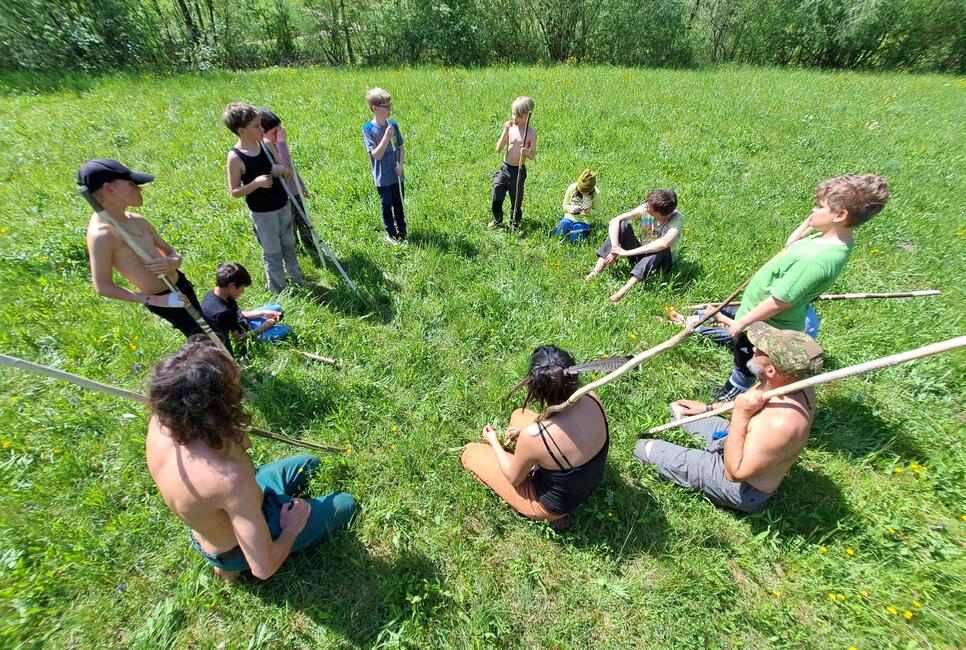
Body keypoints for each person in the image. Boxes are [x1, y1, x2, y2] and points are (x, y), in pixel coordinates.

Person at [146, 339, 357, 583]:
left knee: (309, 463)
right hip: (235, 546)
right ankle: (232, 567)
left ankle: (234, 551)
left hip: (222, 515)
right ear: (215, 404)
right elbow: (263, 568)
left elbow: (242, 445)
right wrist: (290, 528)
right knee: (345, 503)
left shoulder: (162, 424)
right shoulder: (228, 478)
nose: (238, 371)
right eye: (232, 381)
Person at [716, 173, 889, 400]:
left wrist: (741, 323)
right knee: (743, 355)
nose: (813, 211)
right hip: (757, 315)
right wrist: (809, 224)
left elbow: (780, 301)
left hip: (766, 324)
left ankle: (730, 394)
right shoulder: (826, 239)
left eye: (819, 206)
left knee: (745, 363)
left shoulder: (819, 259)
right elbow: (790, 246)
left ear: (840, 215)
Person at [635, 322, 823, 513]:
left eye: (761, 350)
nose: (754, 348)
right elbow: (750, 400)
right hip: (737, 438)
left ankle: (717, 493)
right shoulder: (792, 381)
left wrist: (741, 414)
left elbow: (734, 473)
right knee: (677, 410)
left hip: (739, 484)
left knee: (643, 449)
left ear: (771, 370)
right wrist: (708, 408)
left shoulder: (781, 423)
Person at [461, 345, 609, 531]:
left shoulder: (535, 437)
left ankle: (554, 517)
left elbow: (514, 479)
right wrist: (526, 435)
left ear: (537, 388)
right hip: (588, 482)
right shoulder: (591, 396)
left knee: (470, 453)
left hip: (549, 504)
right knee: (518, 415)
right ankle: (536, 462)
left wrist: (494, 443)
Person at [80, 159, 215, 340]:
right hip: (162, 298)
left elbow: (172, 253)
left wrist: (172, 262)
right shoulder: (102, 235)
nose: (139, 189)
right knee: (204, 340)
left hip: (179, 284)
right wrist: (156, 301)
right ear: (109, 189)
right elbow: (103, 287)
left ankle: (231, 363)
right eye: (131, 184)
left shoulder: (137, 219)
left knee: (210, 329)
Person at [224, 102, 305, 295]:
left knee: (289, 244)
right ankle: (279, 290)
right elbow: (234, 191)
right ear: (241, 131)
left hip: (282, 205)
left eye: (261, 124)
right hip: (263, 214)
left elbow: (285, 172)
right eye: (256, 126)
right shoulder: (235, 157)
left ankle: (298, 279)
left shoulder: (267, 145)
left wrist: (281, 170)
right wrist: (255, 184)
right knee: (273, 252)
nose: (262, 129)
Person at [584, 189, 684, 303]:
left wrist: (625, 253)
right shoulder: (646, 208)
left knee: (661, 248)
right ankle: (596, 271)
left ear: (660, 213)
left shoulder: (676, 219)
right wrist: (615, 249)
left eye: (648, 207)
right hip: (641, 252)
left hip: (661, 262)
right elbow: (616, 220)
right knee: (623, 225)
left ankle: (622, 292)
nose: (645, 207)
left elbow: (663, 243)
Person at [260, 109, 322, 265]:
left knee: (305, 222)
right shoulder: (268, 149)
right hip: (284, 197)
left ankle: (310, 245)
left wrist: (301, 184)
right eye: (275, 131)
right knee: (290, 226)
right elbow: (285, 168)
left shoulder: (277, 144)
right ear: (263, 133)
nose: (279, 134)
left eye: (280, 129)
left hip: (295, 192)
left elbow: (292, 168)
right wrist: (282, 142)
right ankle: (296, 250)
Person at [201, 262, 292, 356]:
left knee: (275, 308)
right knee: (287, 328)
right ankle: (264, 331)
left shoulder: (217, 293)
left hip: (245, 323)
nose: (243, 292)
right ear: (232, 286)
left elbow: (238, 314)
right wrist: (264, 327)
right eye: (242, 289)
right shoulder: (223, 313)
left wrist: (263, 313)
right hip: (248, 335)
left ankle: (264, 322)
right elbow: (239, 338)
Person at [362, 87, 407, 243]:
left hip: (397, 175)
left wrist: (400, 165)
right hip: (383, 178)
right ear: (374, 109)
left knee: (399, 205)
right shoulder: (368, 130)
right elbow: (376, 155)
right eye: (386, 107)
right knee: (387, 206)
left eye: (390, 106)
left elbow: (400, 146)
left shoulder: (393, 124)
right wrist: (386, 137)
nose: (389, 110)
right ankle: (392, 235)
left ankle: (403, 232)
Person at [488, 96, 536, 230]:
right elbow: (498, 148)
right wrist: (505, 131)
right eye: (513, 114)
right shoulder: (511, 128)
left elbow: (532, 156)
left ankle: (514, 223)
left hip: (518, 172)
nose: (515, 118)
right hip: (505, 168)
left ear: (528, 115)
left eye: (519, 115)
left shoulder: (531, 134)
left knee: (516, 200)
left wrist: (526, 152)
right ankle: (497, 219)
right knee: (497, 192)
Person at [553, 169, 600, 242]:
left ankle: (582, 233)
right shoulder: (572, 188)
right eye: (581, 191)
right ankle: (566, 230)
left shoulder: (596, 194)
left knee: (575, 240)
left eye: (586, 192)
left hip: (584, 220)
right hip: (569, 217)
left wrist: (589, 211)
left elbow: (597, 210)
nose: (583, 193)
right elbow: (565, 205)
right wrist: (572, 208)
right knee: (559, 233)